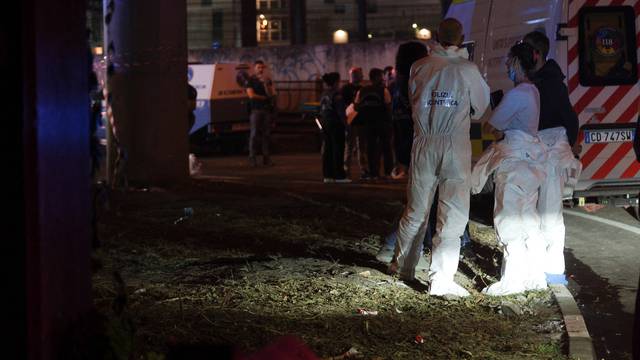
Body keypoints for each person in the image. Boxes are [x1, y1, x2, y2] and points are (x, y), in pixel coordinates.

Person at [389, 18, 490, 297]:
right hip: (455, 145)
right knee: (452, 216)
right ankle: (441, 280)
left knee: (416, 209)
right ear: (462, 38)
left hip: (423, 143)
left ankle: (402, 267)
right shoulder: (468, 70)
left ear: (435, 36)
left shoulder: (419, 67)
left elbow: (412, 100)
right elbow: (481, 109)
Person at [471, 42, 548, 296]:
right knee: (529, 223)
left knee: (509, 222)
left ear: (517, 63)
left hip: (514, 165)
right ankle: (535, 276)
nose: (506, 67)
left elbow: (490, 128)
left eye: (508, 63)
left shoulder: (517, 94)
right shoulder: (534, 91)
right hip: (531, 165)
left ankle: (512, 281)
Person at [523, 31, 582, 285]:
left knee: (549, 212)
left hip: (549, 152)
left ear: (535, 53)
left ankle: (554, 271)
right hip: (541, 151)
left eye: (526, 50)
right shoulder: (542, 79)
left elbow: (567, 117)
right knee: (536, 212)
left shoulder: (548, 83)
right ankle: (538, 267)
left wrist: (566, 145)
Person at [390, 42, 429, 180]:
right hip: (414, 121)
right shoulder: (418, 78)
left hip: (400, 119)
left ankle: (402, 168)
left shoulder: (397, 80)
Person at [354, 68, 393, 179]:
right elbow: (388, 106)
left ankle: (373, 172)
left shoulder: (361, 91)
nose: (382, 78)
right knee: (386, 148)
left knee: (371, 148)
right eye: (381, 76)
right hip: (382, 123)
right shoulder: (383, 90)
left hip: (368, 124)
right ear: (376, 77)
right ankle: (387, 172)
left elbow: (356, 106)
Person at [319, 72, 351, 184]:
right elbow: (341, 113)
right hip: (336, 125)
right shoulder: (337, 95)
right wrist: (346, 126)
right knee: (338, 150)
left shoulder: (324, 94)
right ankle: (339, 175)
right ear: (336, 82)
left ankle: (328, 175)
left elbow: (321, 110)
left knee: (327, 150)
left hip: (325, 123)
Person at [245, 60, 276, 167]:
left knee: (266, 135)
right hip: (256, 110)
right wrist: (264, 98)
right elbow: (251, 95)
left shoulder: (267, 80)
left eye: (262, 67)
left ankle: (266, 158)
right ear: (254, 68)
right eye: (258, 67)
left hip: (266, 110)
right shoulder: (251, 80)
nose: (261, 69)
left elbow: (272, 94)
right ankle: (252, 158)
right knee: (254, 135)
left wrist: (266, 86)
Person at [342, 67, 368, 179]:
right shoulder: (346, 88)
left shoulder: (362, 88)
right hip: (351, 120)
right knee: (349, 146)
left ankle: (363, 169)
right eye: (359, 74)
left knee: (361, 147)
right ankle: (346, 170)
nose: (361, 76)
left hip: (360, 120)